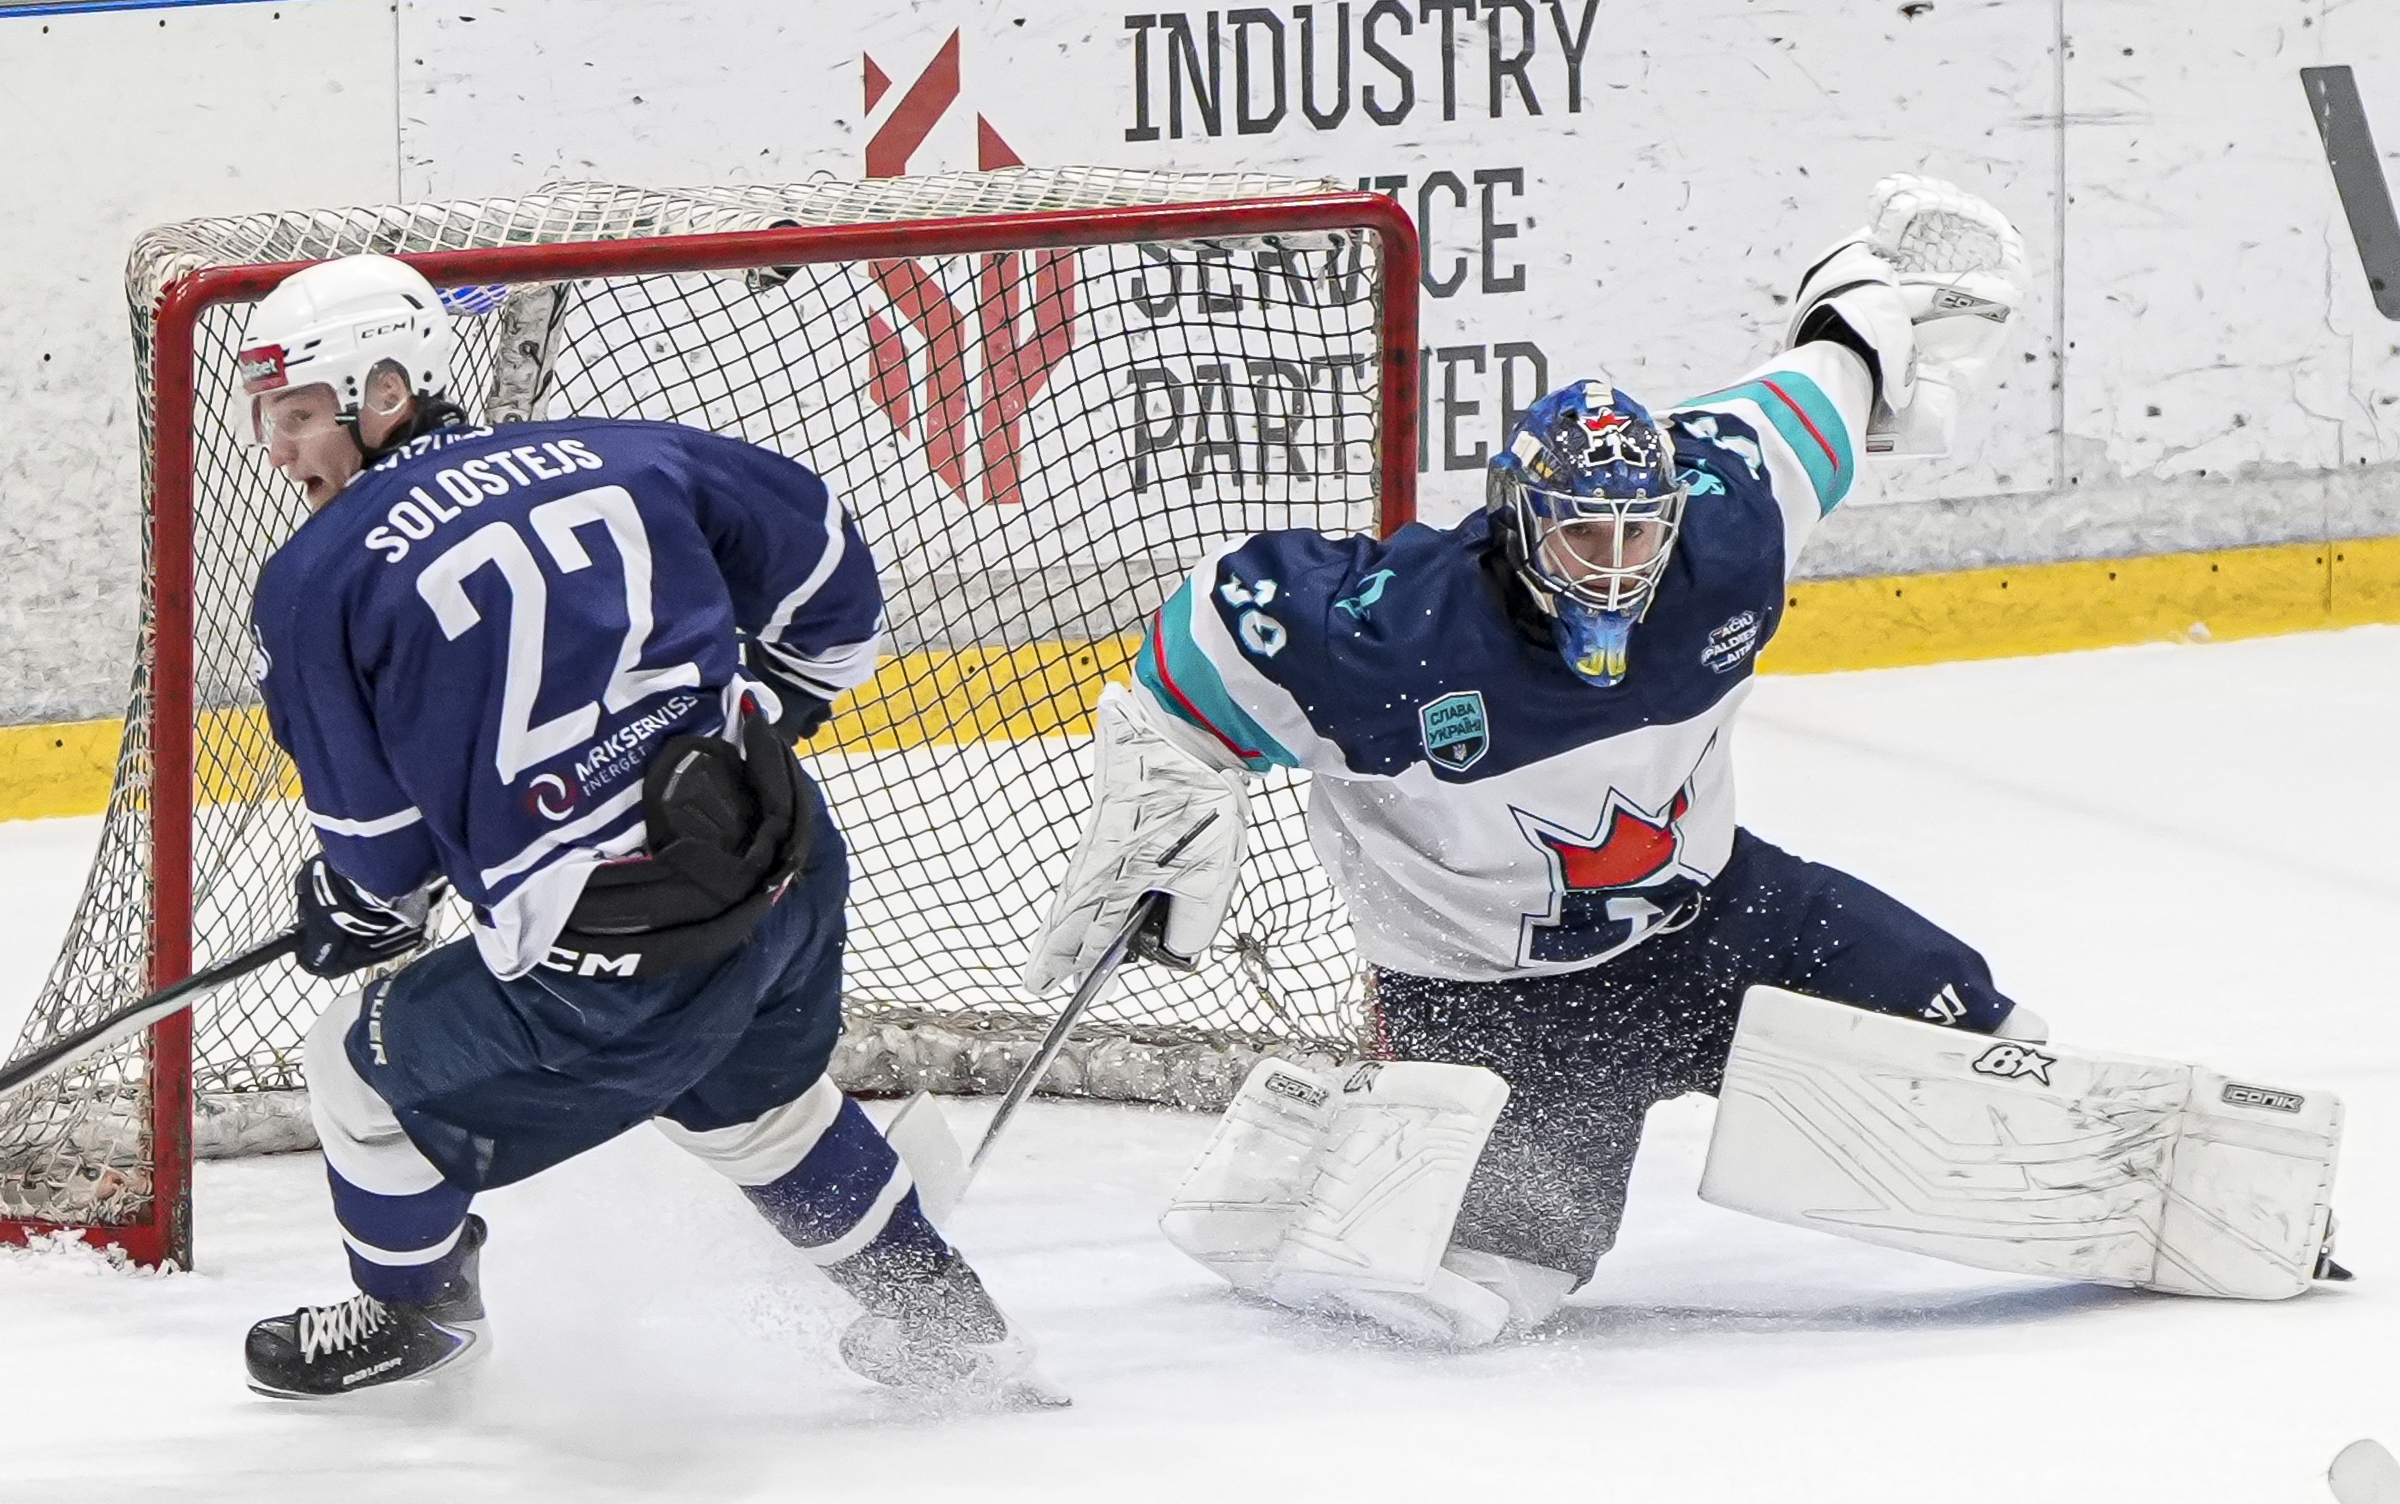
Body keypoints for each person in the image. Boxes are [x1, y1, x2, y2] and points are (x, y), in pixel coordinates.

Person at [1026, 174, 2058, 1344]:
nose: (1616, 565)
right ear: (1519, 518)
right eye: (1581, 534)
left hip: (1711, 919)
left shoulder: (1727, 531)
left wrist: (1866, 312)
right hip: (1490, 995)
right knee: (1489, 1287)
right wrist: (1169, 785)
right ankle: (1342, 1172)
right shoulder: (1393, 635)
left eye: (1639, 531)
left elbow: (1818, 380)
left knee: (1981, 1035)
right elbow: (1203, 633)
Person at [238, 253, 1055, 1405]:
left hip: (615, 960)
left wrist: (354, 909)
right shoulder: (627, 452)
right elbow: (831, 572)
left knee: (352, 1064)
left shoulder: (316, 578)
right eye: (269, 417)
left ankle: (416, 1315)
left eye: (298, 413)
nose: (279, 449)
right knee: (762, 1116)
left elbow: (386, 862)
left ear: (384, 391)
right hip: (787, 869)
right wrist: (772, 708)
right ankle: (953, 1330)